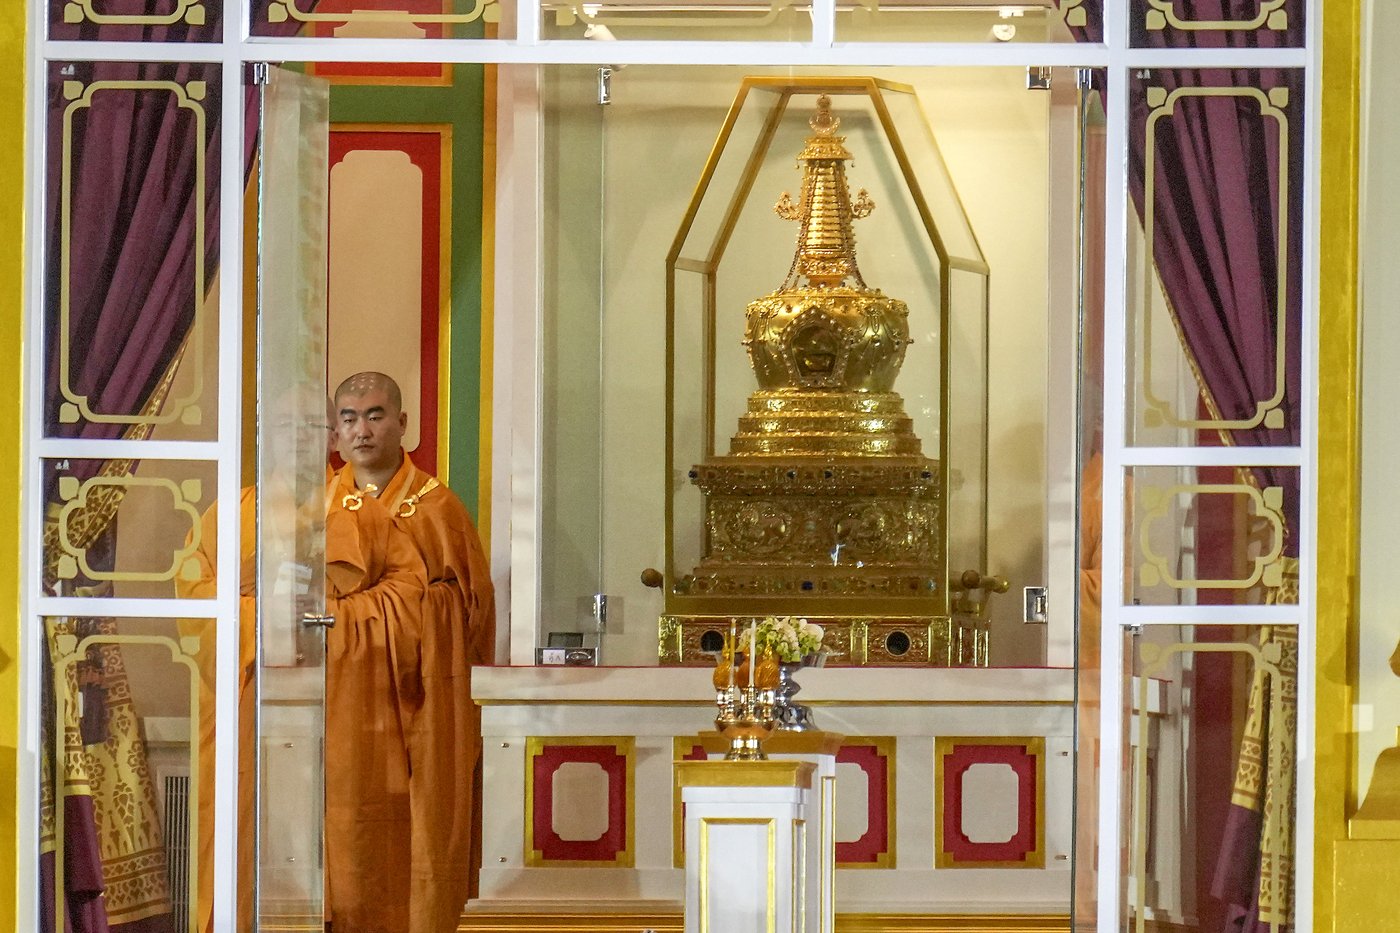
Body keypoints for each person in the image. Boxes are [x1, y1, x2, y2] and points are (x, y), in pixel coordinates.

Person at [178, 406, 427, 933]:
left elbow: (407, 601)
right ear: (265, 433)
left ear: (332, 438)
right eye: (286, 426)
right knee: (242, 843)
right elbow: (193, 603)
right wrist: (260, 618)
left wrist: (334, 618)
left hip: (341, 708)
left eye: (313, 427)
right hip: (248, 709)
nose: (298, 439)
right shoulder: (229, 514)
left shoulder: (364, 512)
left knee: (337, 846)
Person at [331, 371, 495, 933]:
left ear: (404, 424)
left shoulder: (436, 507)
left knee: (422, 822)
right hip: (344, 705)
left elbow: (471, 610)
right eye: (349, 418)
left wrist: (415, 614)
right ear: (334, 433)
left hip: (424, 697)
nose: (362, 430)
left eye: (376, 415)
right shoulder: (320, 506)